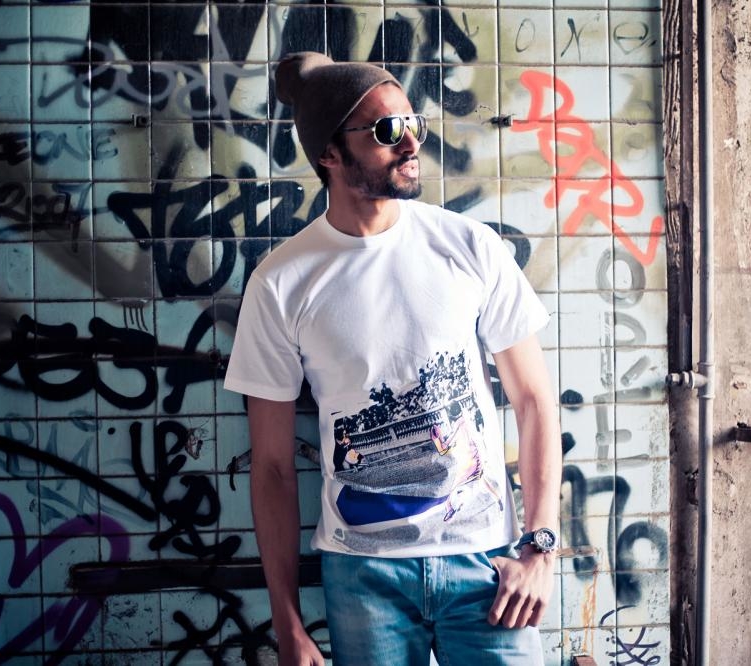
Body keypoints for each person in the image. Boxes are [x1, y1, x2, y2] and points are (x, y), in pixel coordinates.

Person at [224, 51, 561, 666]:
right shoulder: (280, 283)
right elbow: (271, 467)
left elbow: (535, 401)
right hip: (363, 578)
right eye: (386, 130)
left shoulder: (469, 247)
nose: (410, 144)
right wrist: (287, 622)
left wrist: (540, 548)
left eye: (413, 124)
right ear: (329, 153)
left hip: (488, 567)